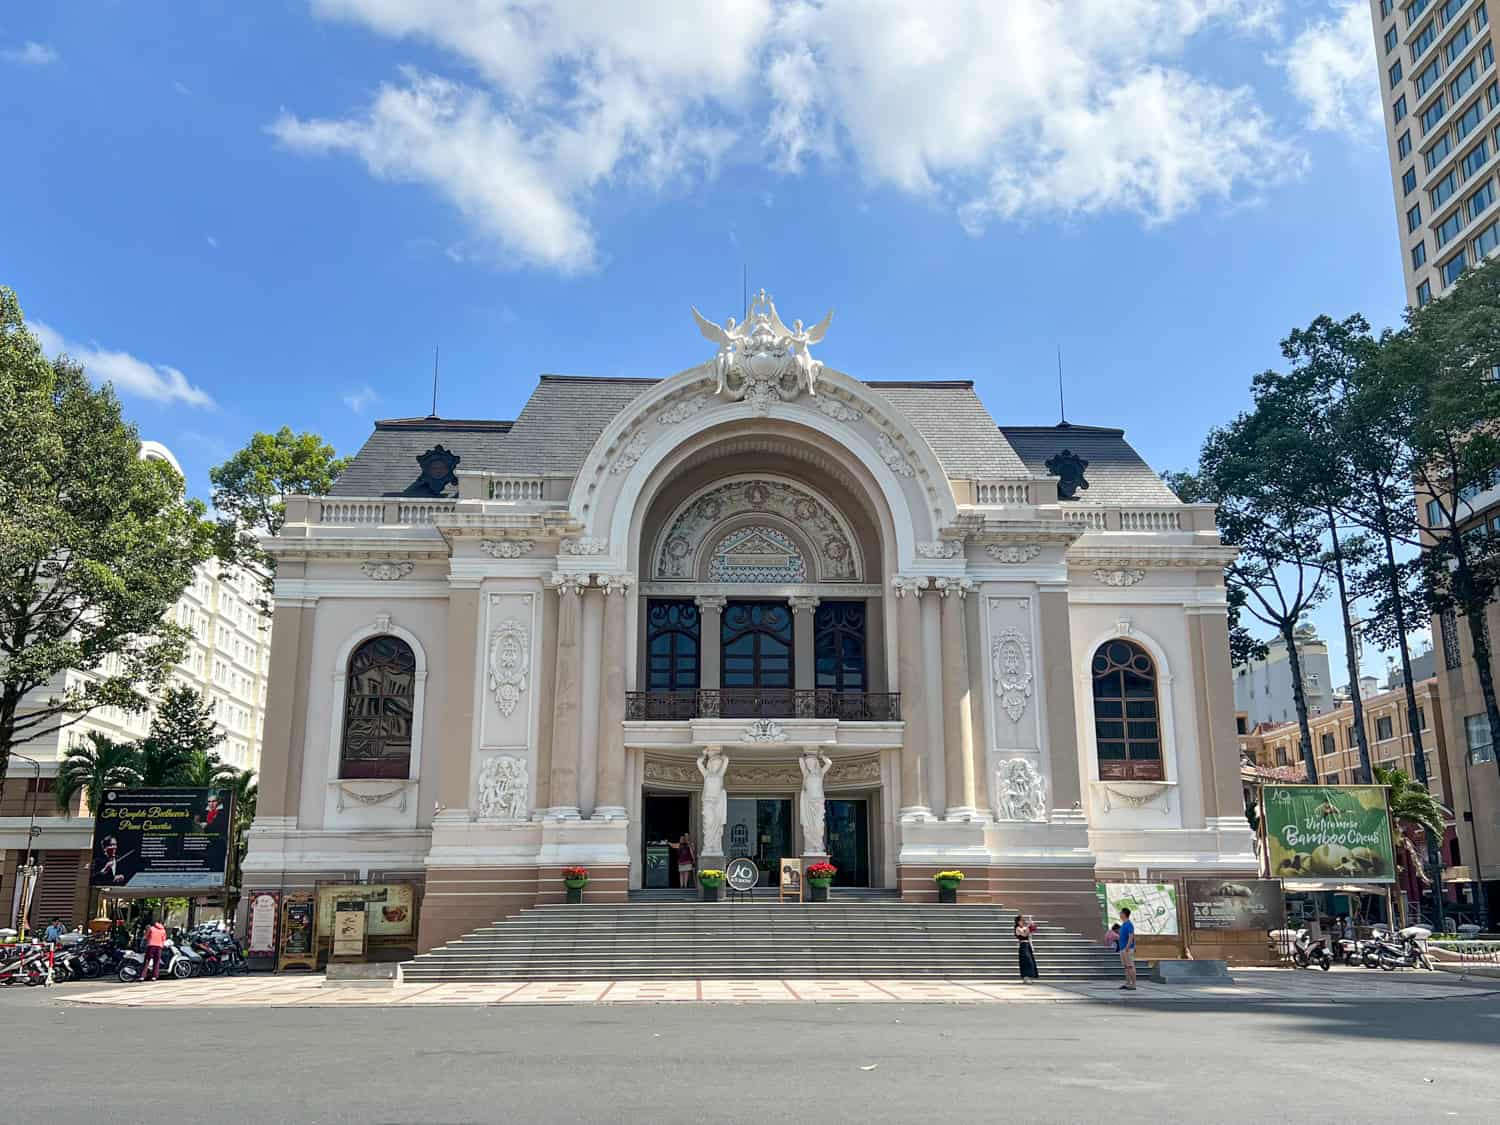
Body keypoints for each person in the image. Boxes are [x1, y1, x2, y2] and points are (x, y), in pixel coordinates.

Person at [1015, 913, 1040, 982]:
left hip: (1028, 945)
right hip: (1023, 946)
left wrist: (1032, 925)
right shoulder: (1017, 928)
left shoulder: (1024, 927)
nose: (1022, 922)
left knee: (1031, 961)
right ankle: (1025, 977)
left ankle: (1029, 976)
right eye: (1021, 920)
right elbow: (1024, 934)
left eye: (1023, 920)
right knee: (1026, 961)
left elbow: (1032, 931)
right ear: (1018, 922)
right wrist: (1028, 927)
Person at [1117, 907, 1137, 991]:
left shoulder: (1129, 924)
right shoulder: (1123, 924)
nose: (1120, 914)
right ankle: (1128, 983)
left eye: (1121, 913)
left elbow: (1131, 936)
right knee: (1126, 967)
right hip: (1122, 949)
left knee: (1130, 966)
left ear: (1124, 914)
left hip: (1127, 949)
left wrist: (1127, 948)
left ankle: (1133, 984)